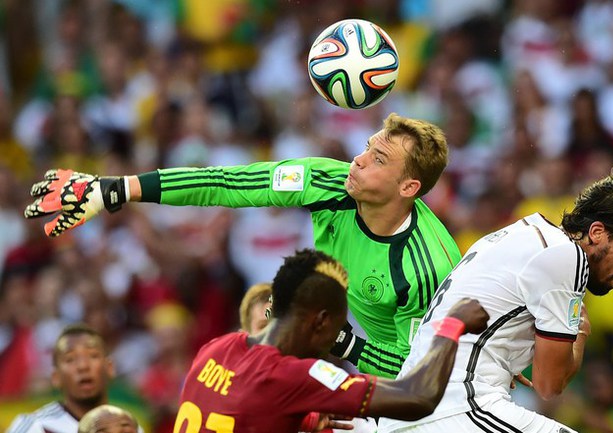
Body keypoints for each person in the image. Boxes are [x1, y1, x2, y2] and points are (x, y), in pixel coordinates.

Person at [24, 112, 460, 378]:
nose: (358, 160)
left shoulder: (426, 269)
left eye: (378, 159)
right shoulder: (329, 182)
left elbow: (420, 370)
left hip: (449, 389)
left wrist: (344, 343)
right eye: (367, 147)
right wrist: (119, 189)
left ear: (409, 186)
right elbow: (230, 183)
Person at [377, 145, 613, 433]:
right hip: (456, 406)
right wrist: (581, 333)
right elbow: (550, 385)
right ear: (597, 232)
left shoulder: (522, 234)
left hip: (419, 406)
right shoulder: (566, 256)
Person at [171, 249, 489, 433]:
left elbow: (237, 408)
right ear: (322, 321)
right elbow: (417, 397)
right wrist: (451, 324)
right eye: (339, 328)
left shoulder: (216, 348)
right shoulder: (293, 375)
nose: (335, 344)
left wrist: (298, 418)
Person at [7, 324, 115, 433]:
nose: (83, 366)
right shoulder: (36, 426)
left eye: (93, 356)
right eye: (70, 359)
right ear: (56, 378)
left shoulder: (123, 425)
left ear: (110, 368)